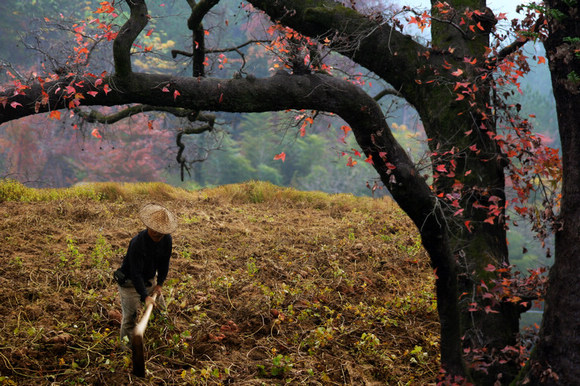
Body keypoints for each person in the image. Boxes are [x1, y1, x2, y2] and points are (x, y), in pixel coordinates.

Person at [115, 202, 178, 345]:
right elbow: (135, 272)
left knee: (161, 312)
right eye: (154, 229)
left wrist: (160, 284)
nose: (157, 233)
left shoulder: (167, 239)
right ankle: (127, 352)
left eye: (161, 230)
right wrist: (145, 297)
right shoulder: (137, 243)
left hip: (150, 280)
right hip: (130, 282)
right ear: (148, 226)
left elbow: (164, 263)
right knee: (130, 319)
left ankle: (162, 340)